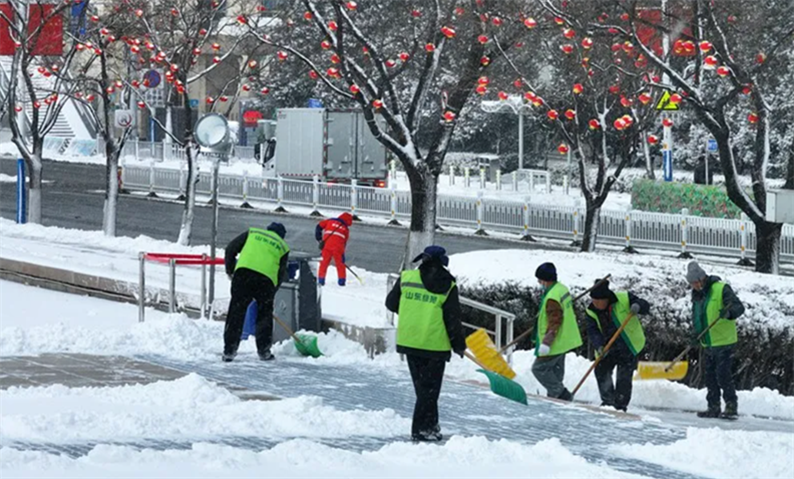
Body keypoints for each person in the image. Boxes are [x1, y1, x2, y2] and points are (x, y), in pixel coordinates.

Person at [385, 246, 466, 442]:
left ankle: (430, 426)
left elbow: (391, 303)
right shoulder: (448, 285)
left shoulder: (407, 278)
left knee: (424, 389)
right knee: (429, 390)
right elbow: (452, 319)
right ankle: (421, 429)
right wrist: (458, 344)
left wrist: (411, 313)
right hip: (434, 344)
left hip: (410, 340)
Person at [222, 222, 290, 362]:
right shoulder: (283, 246)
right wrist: (271, 292)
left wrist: (231, 271)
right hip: (266, 281)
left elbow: (230, 249)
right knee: (264, 316)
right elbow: (281, 273)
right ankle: (264, 351)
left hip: (243, 275)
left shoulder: (252, 233)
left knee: (236, 313)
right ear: (282, 236)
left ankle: (229, 351)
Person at [686, 261, 745, 419]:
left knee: (722, 374)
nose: (694, 286)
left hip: (724, 341)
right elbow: (698, 317)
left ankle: (731, 406)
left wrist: (728, 313)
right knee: (710, 376)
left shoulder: (721, 288)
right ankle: (713, 407)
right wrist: (696, 334)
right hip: (708, 342)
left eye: (695, 282)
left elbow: (739, 307)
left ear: (702, 278)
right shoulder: (696, 295)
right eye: (691, 283)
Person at [585, 279, 650, 411]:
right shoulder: (591, 311)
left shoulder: (624, 298)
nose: (595, 304)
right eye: (593, 300)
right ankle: (608, 401)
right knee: (601, 369)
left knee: (624, 376)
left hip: (628, 344)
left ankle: (620, 405)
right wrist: (599, 346)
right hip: (608, 346)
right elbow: (593, 331)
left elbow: (645, 306)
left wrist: (638, 305)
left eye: (598, 301)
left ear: (606, 299)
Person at [531, 262, 582, 401]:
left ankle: (561, 395)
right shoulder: (561, 289)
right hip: (564, 339)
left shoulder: (552, 297)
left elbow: (555, 321)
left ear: (545, 280)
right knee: (555, 371)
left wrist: (547, 342)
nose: (539, 283)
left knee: (539, 368)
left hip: (555, 340)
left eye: (540, 280)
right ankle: (554, 400)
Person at [315, 212, 353, 286]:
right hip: (338, 248)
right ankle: (341, 281)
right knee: (340, 265)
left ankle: (321, 280)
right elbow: (344, 242)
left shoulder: (330, 221)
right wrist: (342, 254)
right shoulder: (345, 229)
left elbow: (319, 226)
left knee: (324, 263)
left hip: (326, 246)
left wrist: (319, 238)